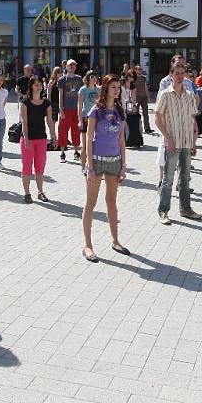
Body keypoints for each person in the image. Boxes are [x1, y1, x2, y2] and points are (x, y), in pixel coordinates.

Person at [81, 75, 130, 262]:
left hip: (114, 161)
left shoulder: (120, 111)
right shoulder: (96, 110)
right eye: (113, 87)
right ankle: (88, 245)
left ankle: (116, 240)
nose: (117, 90)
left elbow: (121, 139)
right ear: (106, 89)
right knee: (91, 203)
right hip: (97, 161)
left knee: (111, 201)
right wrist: (89, 165)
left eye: (118, 87)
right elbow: (88, 138)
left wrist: (124, 165)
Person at [156, 62, 201, 225]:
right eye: (177, 73)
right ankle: (163, 211)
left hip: (186, 142)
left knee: (185, 178)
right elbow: (157, 119)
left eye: (183, 73)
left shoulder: (189, 95)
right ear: (171, 74)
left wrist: (194, 143)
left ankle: (186, 209)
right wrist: (168, 139)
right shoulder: (165, 95)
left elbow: (192, 120)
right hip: (172, 143)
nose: (180, 76)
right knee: (168, 180)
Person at [20, 76, 54, 203]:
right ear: (31, 87)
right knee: (27, 167)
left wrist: (53, 135)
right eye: (36, 84)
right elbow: (24, 121)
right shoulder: (25, 102)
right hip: (28, 139)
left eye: (40, 84)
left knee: (40, 167)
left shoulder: (46, 103)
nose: (38, 87)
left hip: (41, 139)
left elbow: (50, 120)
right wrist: (26, 138)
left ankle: (40, 192)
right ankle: (27, 193)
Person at [58, 60, 84, 163]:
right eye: (70, 65)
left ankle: (76, 152)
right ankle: (62, 152)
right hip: (66, 109)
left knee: (76, 131)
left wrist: (82, 109)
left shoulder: (79, 79)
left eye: (74, 65)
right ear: (66, 67)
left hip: (77, 109)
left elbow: (82, 95)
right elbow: (60, 95)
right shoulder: (62, 80)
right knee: (63, 131)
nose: (72, 66)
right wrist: (61, 109)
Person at [77, 71, 100, 169]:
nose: (94, 78)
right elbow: (79, 105)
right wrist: (80, 120)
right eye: (92, 76)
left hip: (97, 118)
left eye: (96, 76)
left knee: (97, 144)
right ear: (87, 78)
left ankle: (94, 166)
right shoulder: (83, 89)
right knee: (85, 144)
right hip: (86, 117)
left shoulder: (99, 89)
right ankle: (83, 167)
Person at [134, 65, 152, 133]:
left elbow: (146, 88)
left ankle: (147, 128)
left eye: (141, 69)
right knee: (136, 114)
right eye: (139, 69)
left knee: (146, 113)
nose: (140, 70)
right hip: (136, 98)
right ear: (135, 70)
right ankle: (137, 128)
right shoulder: (133, 78)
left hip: (144, 97)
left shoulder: (144, 78)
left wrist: (148, 97)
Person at [48, 66, 63, 143]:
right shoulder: (51, 82)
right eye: (58, 72)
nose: (60, 73)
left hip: (62, 104)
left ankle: (61, 137)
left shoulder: (63, 81)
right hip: (53, 103)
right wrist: (49, 104)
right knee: (53, 121)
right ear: (55, 73)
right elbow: (49, 94)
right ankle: (53, 136)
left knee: (62, 121)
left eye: (61, 72)